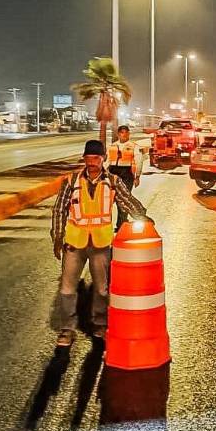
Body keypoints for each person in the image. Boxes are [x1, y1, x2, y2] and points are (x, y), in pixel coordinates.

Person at [50, 139, 150, 346]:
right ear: (84, 158)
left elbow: (127, 200)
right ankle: (67, 329)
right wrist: (58, 238)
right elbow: (59, 210)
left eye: (96, 157)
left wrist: (143, 217)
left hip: (100, 243)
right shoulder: (72, 181)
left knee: (102, 288)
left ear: (103, 158)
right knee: (67, 289)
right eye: (88, 157)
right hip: (74, 244)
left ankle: (100, 324)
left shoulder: (112, 181)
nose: (92, 161)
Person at [107, 125, 144, 231]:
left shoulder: (134, 146)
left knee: (124, 200)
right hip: (113, 173)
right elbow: (107, 161)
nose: (124, 135)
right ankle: (106, 224)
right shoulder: (112, 146)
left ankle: (121, 224)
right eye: (122, 132)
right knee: (109, 200)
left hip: (127, 174)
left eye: (126, 132)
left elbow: (139, 161)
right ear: (118, 134)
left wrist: (137, 176)